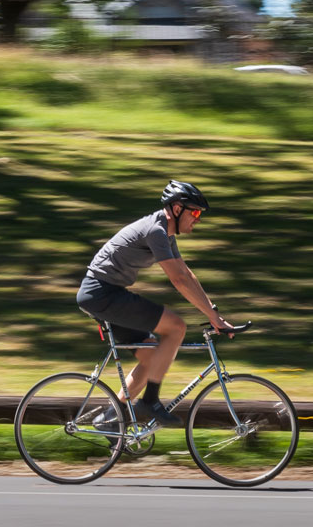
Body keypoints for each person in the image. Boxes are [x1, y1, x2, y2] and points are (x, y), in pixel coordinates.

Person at [77, 180, 234, 429]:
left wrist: (213, 312)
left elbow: (186, 273)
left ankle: (111, 419)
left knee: (152, 355)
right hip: (101, 293)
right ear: (176, 209)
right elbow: (178, 280)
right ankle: (149, 401)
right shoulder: (156, 231)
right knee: (176, 327)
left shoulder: (166, 232)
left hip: (106, 292)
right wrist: (213, 318)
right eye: (194, 212)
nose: (198, 219)